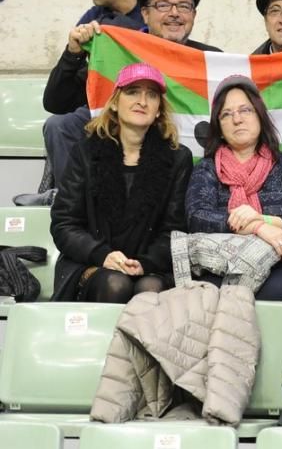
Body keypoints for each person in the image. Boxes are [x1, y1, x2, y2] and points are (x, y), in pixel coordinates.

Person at [185, 75, 282, 326]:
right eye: (226, 114)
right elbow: (197, 218)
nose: (237, 119)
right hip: (220, 265)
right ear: (219, 127)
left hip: (280, 264)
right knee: (205, 297)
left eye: (245, 110)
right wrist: (260, 228)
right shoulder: (207, 169)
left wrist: (267, 219)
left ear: (260, 116)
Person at [50, 63, 192, 302]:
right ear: (115, 102)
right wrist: (102, 255)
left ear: (159, 109)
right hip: (90, 263)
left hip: (151, 266)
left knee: (150, 290)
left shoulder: (178, 158)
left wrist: (145, 263)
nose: (142, 101)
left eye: (152, 95)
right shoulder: (85, 152)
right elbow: (65, 224)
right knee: (116, 283)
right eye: (133, 91)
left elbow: (175, 230)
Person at [39, 0, 145, 199]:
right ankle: (71, 203)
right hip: (103, 109)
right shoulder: (94, 18)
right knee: (58, 126)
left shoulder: (152, 10)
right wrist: (73, 52)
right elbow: (54, 102)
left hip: (147, 106)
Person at [138, 0, 221, 52]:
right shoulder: (128, 54)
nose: (174, 13)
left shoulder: (211, 58)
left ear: (193, 15)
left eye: (183, 6)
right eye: (163, 6)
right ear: (146, 14)